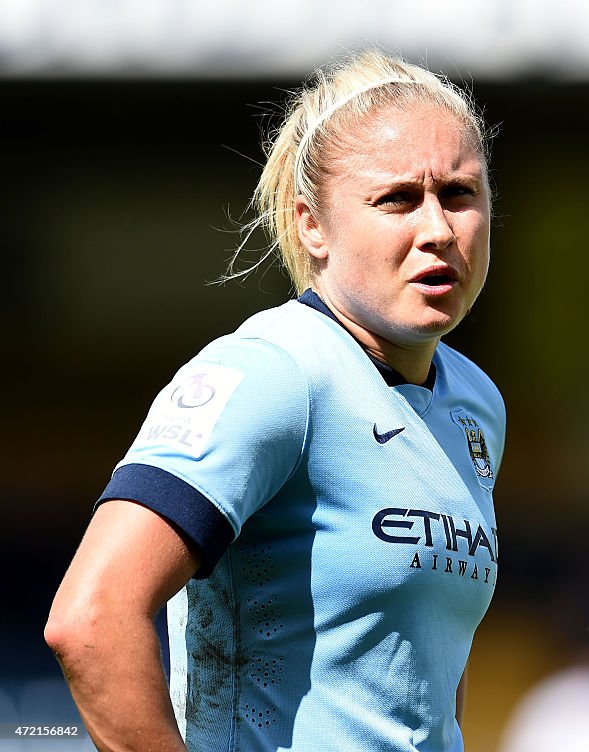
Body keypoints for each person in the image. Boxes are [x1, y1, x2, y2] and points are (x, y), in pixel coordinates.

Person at [45, 49, 505, 752]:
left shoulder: (476, 404)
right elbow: (92, 618)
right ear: (310, 225)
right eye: (398, 199)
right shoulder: (275, 372)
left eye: (460, 194)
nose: (438, 229)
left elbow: (428, 671)